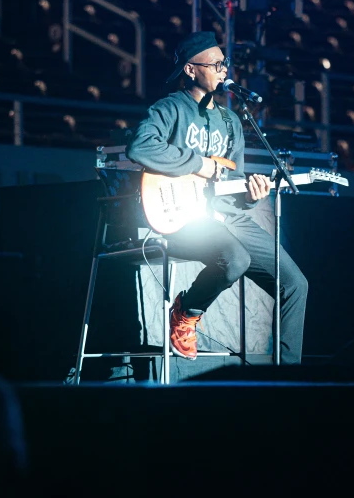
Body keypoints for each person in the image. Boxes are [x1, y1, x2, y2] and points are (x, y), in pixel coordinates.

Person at [127, 31, 307, 363]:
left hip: (228, 219)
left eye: (225, 64)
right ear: (190, 70)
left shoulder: (231, 121)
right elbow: (140, 147)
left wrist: (252, 196)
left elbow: (231, 188)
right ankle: (187, 311)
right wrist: (200, 166)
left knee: (295, 284)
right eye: (215, 64)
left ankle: (288, 375)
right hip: (184, 217)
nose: (224, 70)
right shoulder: (171, 108)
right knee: (236, 259)